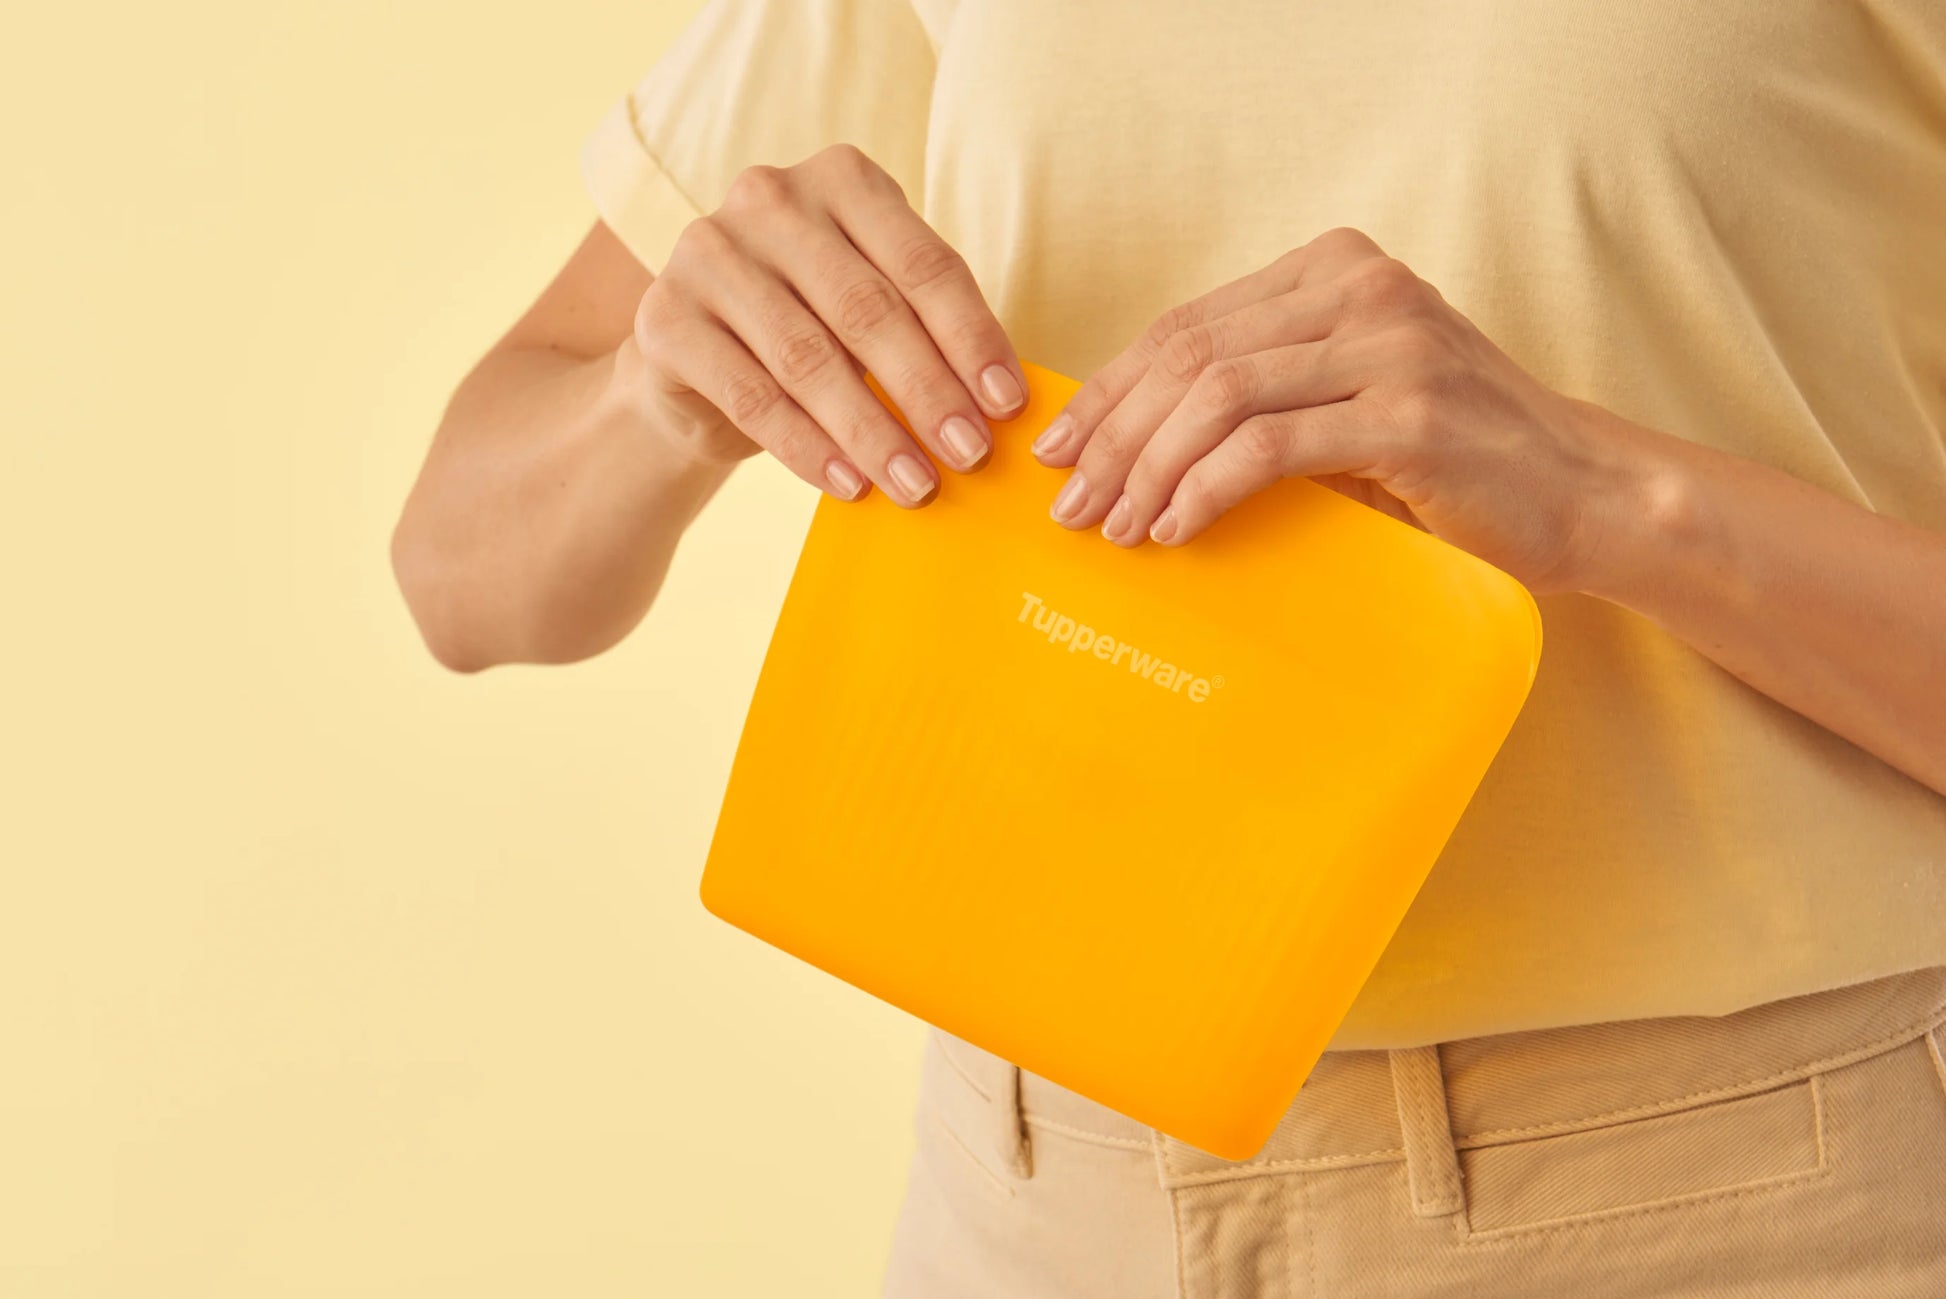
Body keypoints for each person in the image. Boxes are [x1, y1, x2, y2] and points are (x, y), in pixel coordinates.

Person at [390, 1, 1946, 1293]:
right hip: (1040, 1197)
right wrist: (660, 397)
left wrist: (1608, 496)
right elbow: (464, 581)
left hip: (1751, 1199)